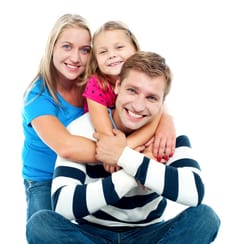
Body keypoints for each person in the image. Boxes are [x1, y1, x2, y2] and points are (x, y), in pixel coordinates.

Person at [26, 51, 220, 244]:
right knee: (40, 225)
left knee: (206, 219)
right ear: (116, 87)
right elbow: (64, 205)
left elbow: (194, 192)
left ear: (163, 103)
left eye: (152, 97)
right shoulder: (81, 130)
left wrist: (125, 157)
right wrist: (134, 171)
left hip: (146, 238)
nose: (139, 105)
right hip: (94, 240)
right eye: (132, 90)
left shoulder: (166, 137)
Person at [21, 14, 176, 223]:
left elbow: (147, 102)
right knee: (46, 233)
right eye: (67, 46)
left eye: (85, 50)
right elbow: (66, 147)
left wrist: (166, 119)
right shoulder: (37, 97)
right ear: (52, 48)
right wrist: (122, 153)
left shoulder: (92, 82)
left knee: (87, 239)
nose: (76, 58)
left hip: (87, 171)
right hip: (45, 178)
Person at [82, 21, 174, 172]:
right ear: (95, 60)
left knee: (154, 143)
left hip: (130, 136)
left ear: (135, 49)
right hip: (103, 137)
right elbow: (104, 133)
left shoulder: (148, 79)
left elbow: (157, 113)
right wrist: (116, 151)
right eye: (103, 52)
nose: (112, 55)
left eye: (119, 47)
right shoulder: (96, 84)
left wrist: (125, 149)